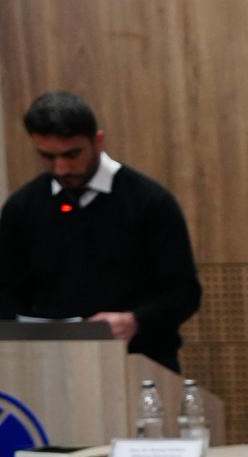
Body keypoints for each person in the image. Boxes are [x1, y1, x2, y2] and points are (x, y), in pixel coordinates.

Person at [0, 91, 201, 373]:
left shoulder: (150, 202)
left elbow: (184, 293)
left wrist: (135, 320)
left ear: (98, 141)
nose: (61, 168)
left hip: (139, 362)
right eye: (47, 156)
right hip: (50, 369)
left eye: (72, 154)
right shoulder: (21, 207)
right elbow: (7, 293)